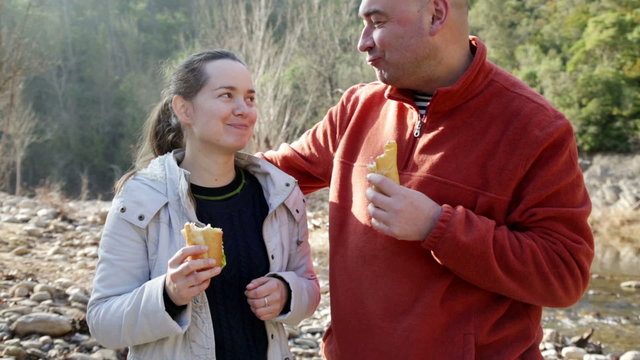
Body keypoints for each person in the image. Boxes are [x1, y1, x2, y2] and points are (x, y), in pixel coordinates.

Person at [259, 0, 594, 358]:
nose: (363, 41)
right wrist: (198, 154)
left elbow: (564, 275)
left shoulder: (535, 128)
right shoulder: (356, 108)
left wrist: (438, 226)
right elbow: (266, 176)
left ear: (436, 14)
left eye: (377, 22)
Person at [87, 50, 320, 360]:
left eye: (250, 99)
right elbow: (103, 323)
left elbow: (310, 288)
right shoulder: (141, 199)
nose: (243, 109)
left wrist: (287, 291)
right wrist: (168, 294)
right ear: (184, 109)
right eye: (227, 96)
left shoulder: (280, 194)